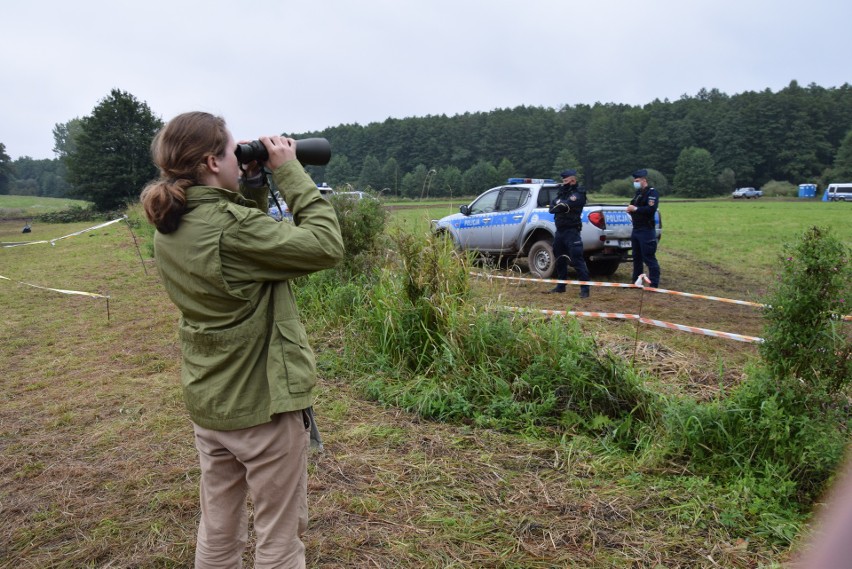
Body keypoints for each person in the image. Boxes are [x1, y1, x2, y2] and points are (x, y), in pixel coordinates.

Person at [140, 112, 344, 568]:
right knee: (279, 535)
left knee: (218, 527)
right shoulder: (230, 227)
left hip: (211, 402)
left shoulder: (171, 224)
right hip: (262, 409)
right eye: (235, 152)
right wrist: (288, 170)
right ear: (212, 162)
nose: (240, 158)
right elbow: (326, 246)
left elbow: (242, 252)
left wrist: (251, 186)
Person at [545, 169, 591, 298]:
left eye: (566, 181)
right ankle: (561, 285)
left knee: (577, 259)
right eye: (563, 181)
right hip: (560, 231)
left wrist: (561, 205)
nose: (563, 183)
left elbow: (566, 205)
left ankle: (585, 289)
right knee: (559, 258)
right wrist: (561, 204)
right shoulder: (562, 192)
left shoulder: (579, 192)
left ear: (573, 180)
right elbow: (552, 208)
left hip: (572, 230)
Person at [626, 168, 660, 288]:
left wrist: (635, 209)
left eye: (637, 180)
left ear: (644, 180)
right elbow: (634, 206)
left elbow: (650, 209)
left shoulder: (652, 193)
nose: (635, 182)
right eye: (634, 180)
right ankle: (636, 282)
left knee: (649, 258)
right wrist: (630, 210)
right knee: (637, 257)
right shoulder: (638, 194)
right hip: (636, 229)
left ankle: (654, 284)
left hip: (646, 230)